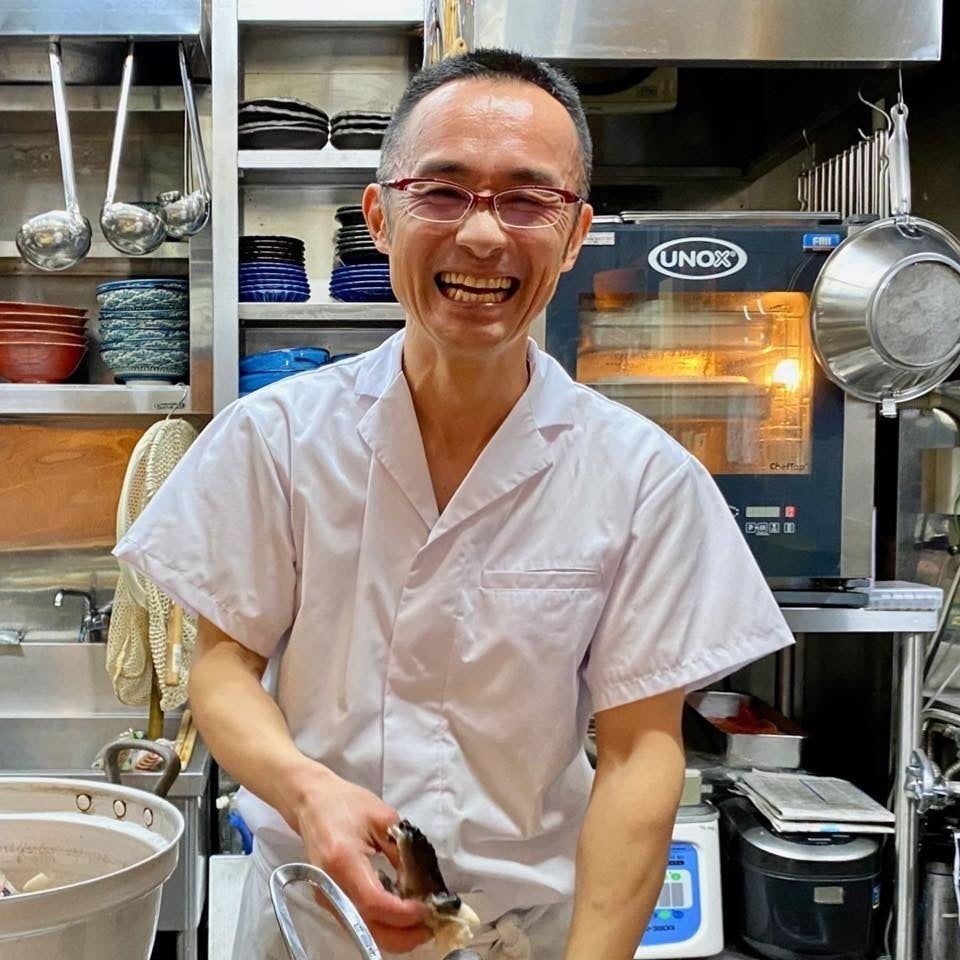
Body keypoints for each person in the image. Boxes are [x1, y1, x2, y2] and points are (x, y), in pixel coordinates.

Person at [115, 48, 794, 960]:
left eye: (527, 199)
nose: (482, 235)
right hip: (313, 927)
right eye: (442, 191)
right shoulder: (275, 439)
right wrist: (307, 793)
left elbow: (640, 754)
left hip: (527, 935)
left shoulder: (643, 480)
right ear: (379, 216)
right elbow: (223, 669)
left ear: (576, 232)